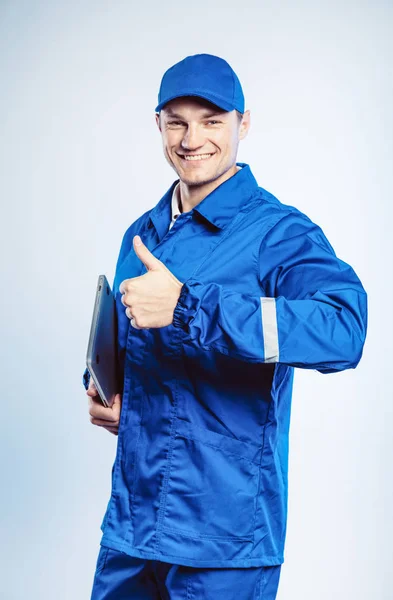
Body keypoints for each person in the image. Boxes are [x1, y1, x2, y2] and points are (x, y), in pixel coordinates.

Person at [83, 53, 368, 600]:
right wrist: (110, 394)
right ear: (159, 124)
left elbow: (344, 328)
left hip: (224, 542)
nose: (193, 139)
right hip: (132, 529)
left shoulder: (277, 232)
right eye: (177, 121)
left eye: (212, 120)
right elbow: (128, 351)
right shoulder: (141, 233)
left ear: (244, 124)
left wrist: (191, 307)